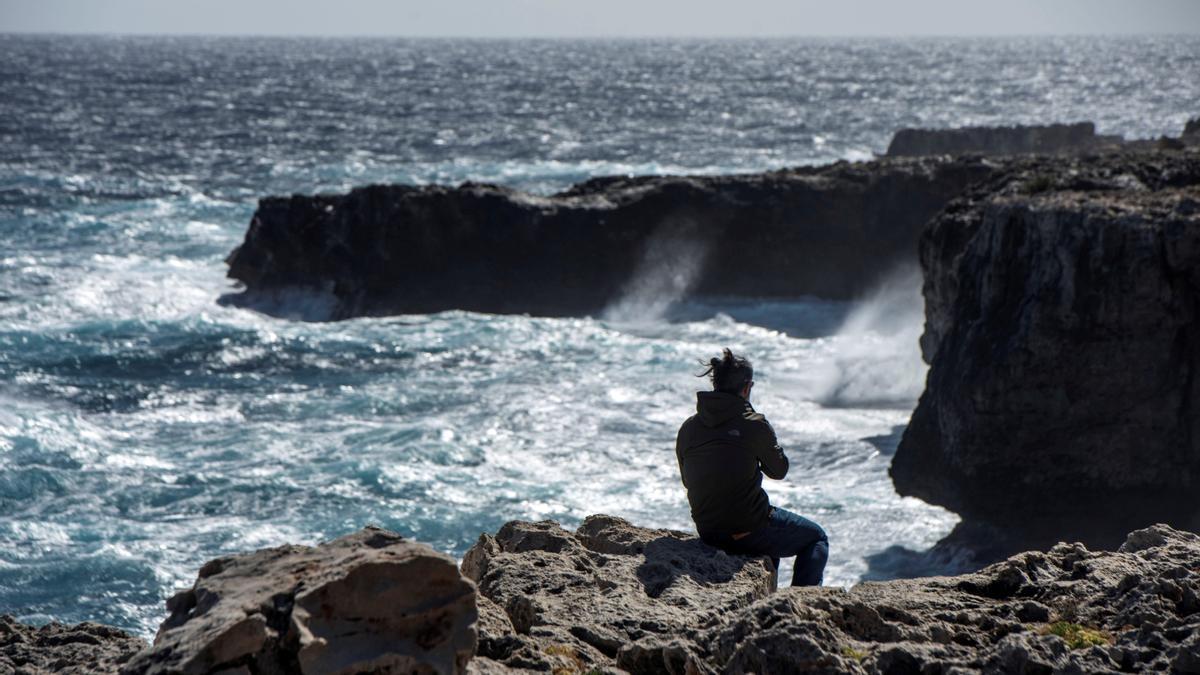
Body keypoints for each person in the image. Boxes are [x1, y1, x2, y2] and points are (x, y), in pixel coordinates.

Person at [675, 348, 828, 586]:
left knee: (770, 546)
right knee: (816, 538)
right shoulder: (753, 424)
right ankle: (803, 603)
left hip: (708, 529)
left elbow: (687, 479)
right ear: (747, 387)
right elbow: (779, 471)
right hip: (746, 528)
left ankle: (769, 597)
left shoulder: (689, 427)